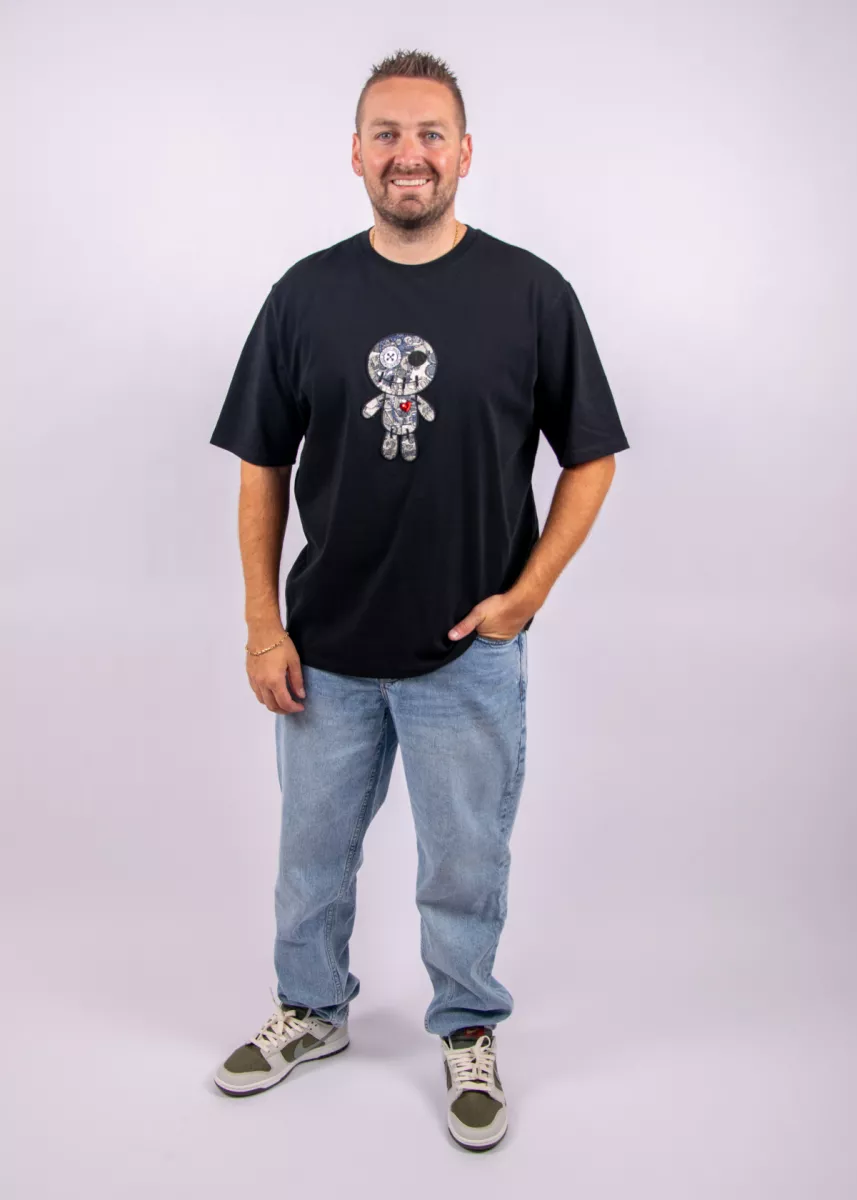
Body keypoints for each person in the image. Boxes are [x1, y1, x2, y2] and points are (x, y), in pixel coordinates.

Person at [208, 48, 630, 1151]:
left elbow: (590, 456)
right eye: (387, 134)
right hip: (325, 651)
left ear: (464, 153)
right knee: (310, 856)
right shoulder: (303, 296)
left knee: (463, 863)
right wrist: (262, 625)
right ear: (354, 154)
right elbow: (260, 466)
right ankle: (310, 1009)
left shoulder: (531, 294)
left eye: (430, 134)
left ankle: (466, 1025)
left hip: (467, 652)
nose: (409, 154)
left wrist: (525, 595)